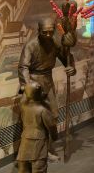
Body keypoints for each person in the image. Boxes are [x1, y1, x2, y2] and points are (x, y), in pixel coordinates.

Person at [18, 17, 76, 161]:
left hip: (48, 81)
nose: (48, 35)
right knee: (35, 120)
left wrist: (71, 67)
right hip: (33, 82)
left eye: (51, 32)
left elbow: (66, 58)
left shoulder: (54, 42)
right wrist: (28, 87)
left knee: (52, 116)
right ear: (39, 31)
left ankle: (48, 149)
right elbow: (23, 67)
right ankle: (36, 153)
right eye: (45, 32)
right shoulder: (31, 45)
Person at [16, 82, 57, 173]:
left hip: (25, 136)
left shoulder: (23, 107)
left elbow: (23, 94)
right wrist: (54, 136)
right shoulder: (43, 110)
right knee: (39, 160)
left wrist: (25, 90)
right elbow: (51, 125)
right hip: (39, 137)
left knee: (23, 159)